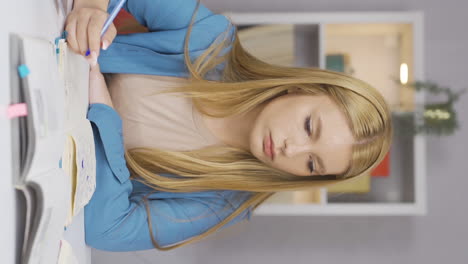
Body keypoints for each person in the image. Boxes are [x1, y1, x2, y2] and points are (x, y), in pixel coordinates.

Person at [66, 0, 393, 252]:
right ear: (301, 88)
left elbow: (105, 230)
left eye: (311, 163)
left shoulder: (224, 200)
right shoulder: (211, 40)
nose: (291, 149)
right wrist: (92, 7)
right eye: (309, 126)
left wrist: (103, 114)